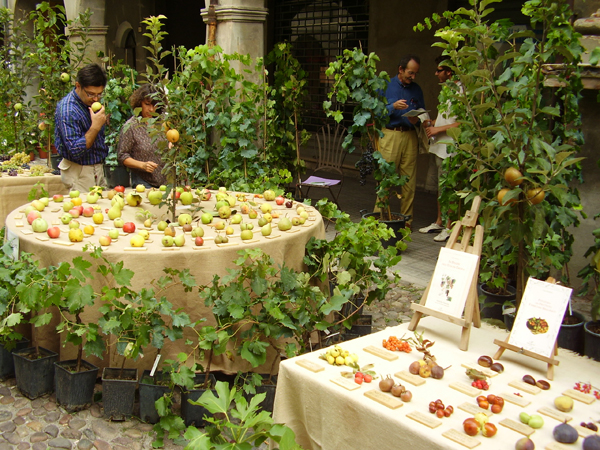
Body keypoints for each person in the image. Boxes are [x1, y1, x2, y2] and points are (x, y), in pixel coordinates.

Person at [379, 54, 426, 229]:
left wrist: (418, 120)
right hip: (390, 134)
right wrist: (392, 107)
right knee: (386, 179)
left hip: (410, 135)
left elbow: (423, 113)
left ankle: (406, 223)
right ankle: (381, 220)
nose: (412, 77)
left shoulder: (417, 89)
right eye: (410, 73)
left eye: (415, 74)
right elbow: (375, 112)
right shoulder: (385, 85)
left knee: (409, 181)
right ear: (400, 69)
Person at [419, 56, 460, 242]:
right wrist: (431, 122)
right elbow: (448, 118)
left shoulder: (461, 92)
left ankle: (450, 225)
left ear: (449, 72)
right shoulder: (446, 91)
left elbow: (461, 123)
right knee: (439, 188)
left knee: (448, 188)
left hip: (450, 149)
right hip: (438, 147)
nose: (436, 73)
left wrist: (437, 129)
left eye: (439, 70)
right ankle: (439, 221)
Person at [55, 63, 108, 191]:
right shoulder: (68, 110)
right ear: (78, 86)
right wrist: (95, 127)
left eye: (99, 94)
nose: (96, 98)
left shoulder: (89, 104)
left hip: (96, 169)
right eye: (91, 94)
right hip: (78, 172)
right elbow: (75, 150)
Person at [117, 84, 167, 188]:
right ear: (140, 103)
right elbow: (122, 156)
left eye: (155, 105)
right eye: (147, 104)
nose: (151, 109)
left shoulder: (163, 123)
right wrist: (142, 165)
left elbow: (173, 138)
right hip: (143, 182)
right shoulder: (131, 126)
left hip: (165, 181)